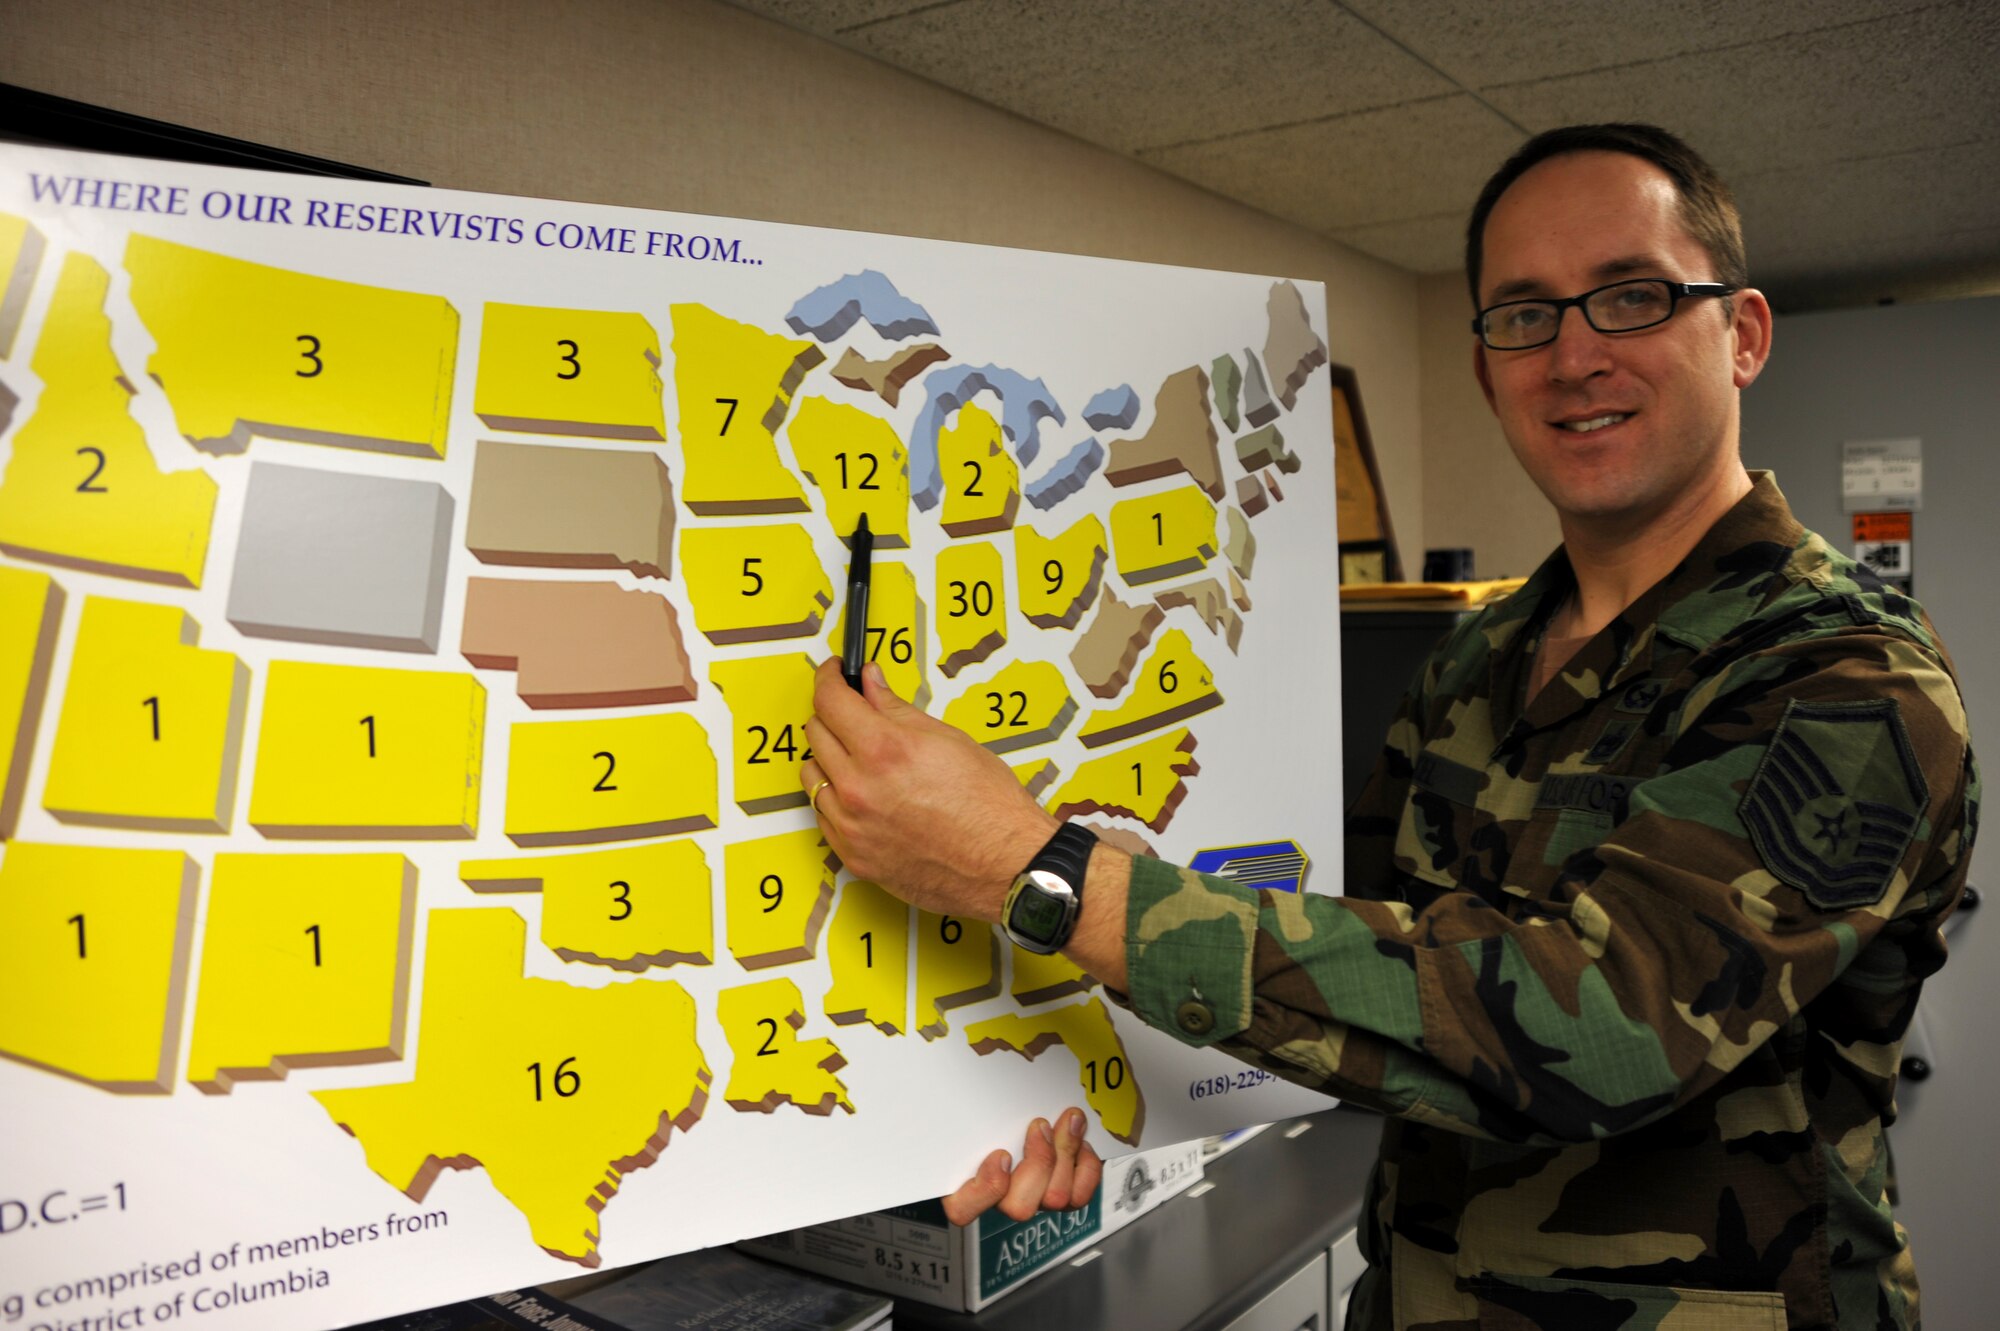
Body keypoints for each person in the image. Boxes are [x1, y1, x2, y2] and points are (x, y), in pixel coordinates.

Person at [796, 124, 1978, 1329]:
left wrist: (1031, 870)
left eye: (1630, 296)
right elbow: (1348, 960)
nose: (1572, 354)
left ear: (1741, 335)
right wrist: (1068, 1102)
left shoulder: (1848, 672)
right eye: (1523, 314)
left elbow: (1608, 1027)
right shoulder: (1477, 657)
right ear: (1484, 369)